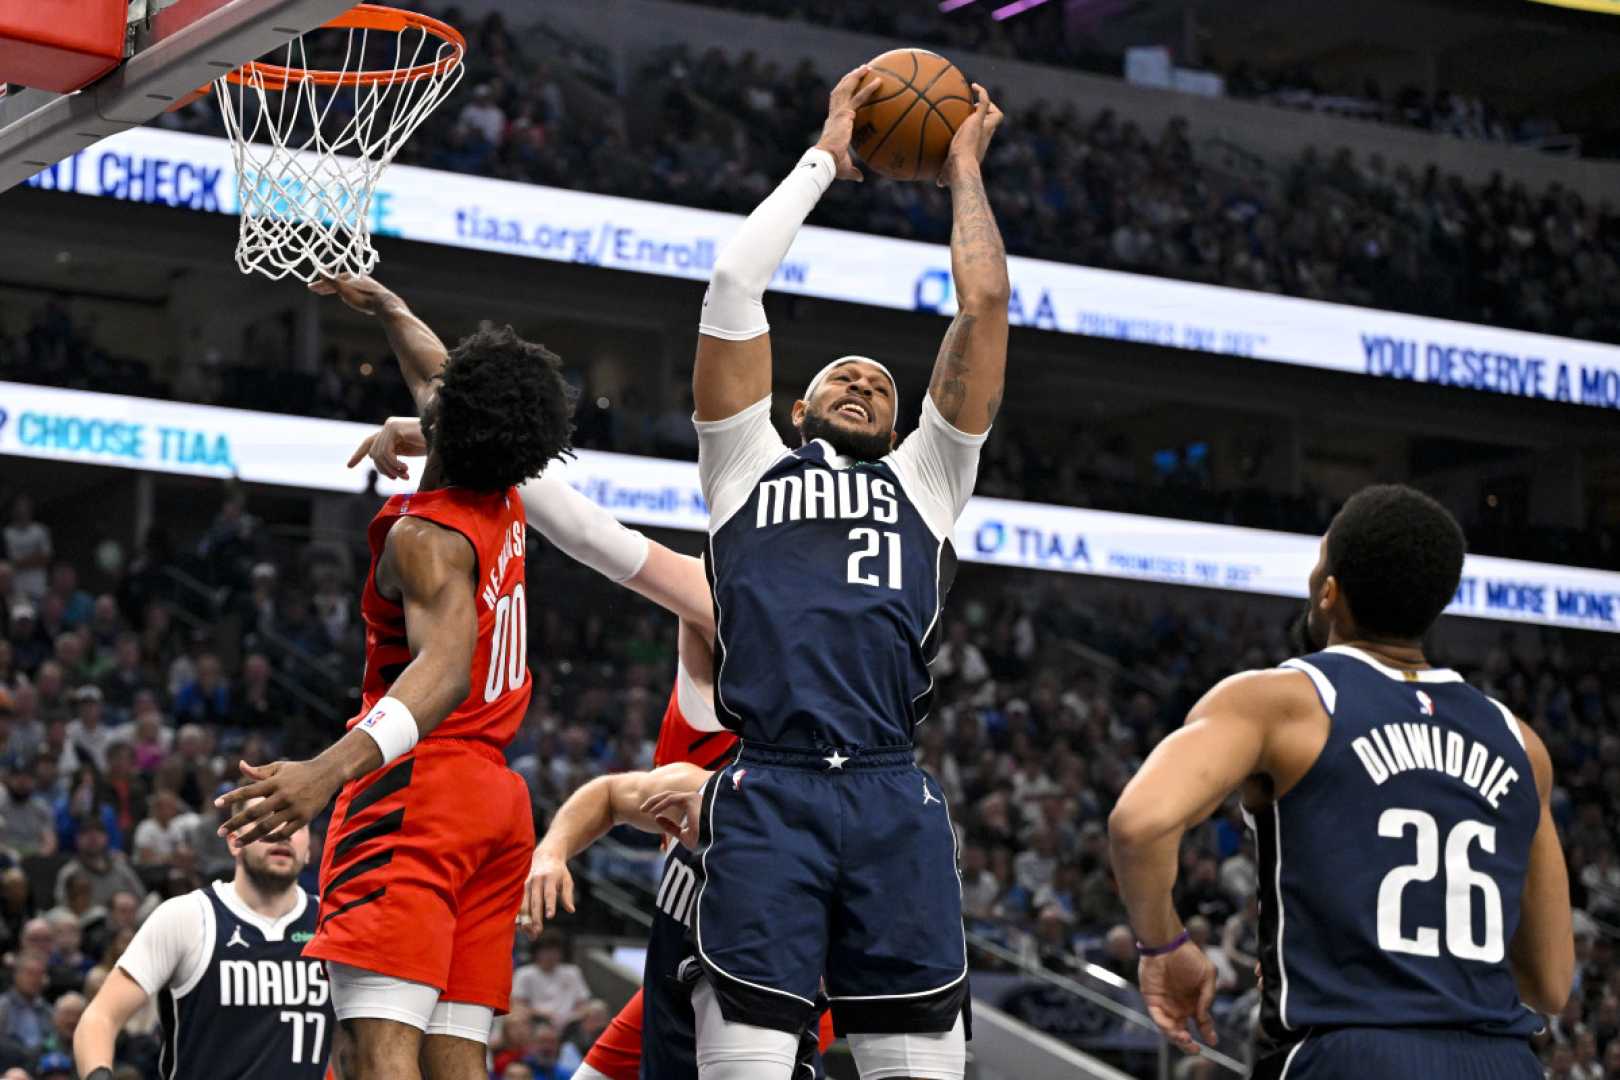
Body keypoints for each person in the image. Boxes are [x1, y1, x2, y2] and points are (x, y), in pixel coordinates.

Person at [649, 63, 1008, 1080]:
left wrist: (962, 168)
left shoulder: (931, 477)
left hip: (893, 790)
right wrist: (826, 158)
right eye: (839, 375)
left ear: (904, 422)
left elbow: (980, 311)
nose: (860, 378)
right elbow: (732, 285)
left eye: (881, 382)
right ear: (796, 410)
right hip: (770, 786)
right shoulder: (744, 464)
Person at [217, 274, 575, 1080]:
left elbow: (443, 673)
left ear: (446, 424)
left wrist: (323, 772)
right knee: (455, 1062)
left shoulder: (427, 535)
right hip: (498, 804)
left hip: (419, 791)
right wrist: (390, 308)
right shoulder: (502, 487)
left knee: (374, 1054)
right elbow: (438, 376)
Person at [1109, 485, 1575, 1078]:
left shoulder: (1282, 703)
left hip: (1350, 1052)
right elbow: (1552, 982)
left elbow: (1139, 824)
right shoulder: (1521, 744)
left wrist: (1164, 946)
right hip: (1502, 1061)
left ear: (1329, 593)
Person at [72, 805, 335, 1080]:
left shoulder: (333, 927)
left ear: (309, 848)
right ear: (235, 840)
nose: (283, 833)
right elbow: (99, 1018)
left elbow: (358, 1046)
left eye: (296, 822)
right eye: (266, 820)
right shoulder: (186, 917)